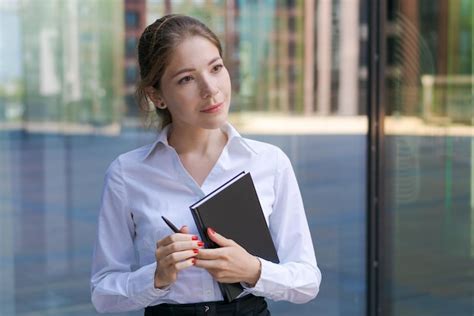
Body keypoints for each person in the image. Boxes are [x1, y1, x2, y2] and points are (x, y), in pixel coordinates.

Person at [90, 14, 321, 315]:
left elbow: (307, 281)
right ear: (156, 95)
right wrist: (157, 277)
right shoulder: (126, 174)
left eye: (216, 68)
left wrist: (252, 270)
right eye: (186, 79)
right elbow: (103, 294)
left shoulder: (269, 163)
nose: (210, 89)